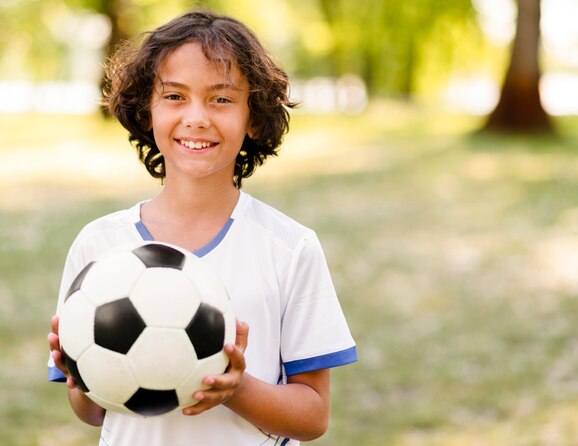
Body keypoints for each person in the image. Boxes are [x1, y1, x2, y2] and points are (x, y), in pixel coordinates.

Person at [46, 9, 357, 446]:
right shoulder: (98, 245)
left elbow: (313, 417)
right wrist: (79, 372)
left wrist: (238, 389)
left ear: (253, 117)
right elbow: (92, 414)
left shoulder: (290, 248)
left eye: (221, 99)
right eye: (174, 96)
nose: (196, 117)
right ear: (146, 110)